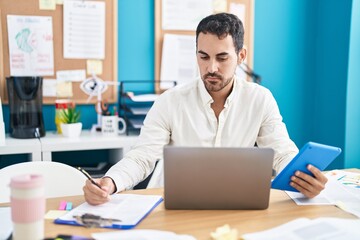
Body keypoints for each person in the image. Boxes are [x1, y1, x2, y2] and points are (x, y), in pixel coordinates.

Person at [83, 13, 328, 205]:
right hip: (168, 202)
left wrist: (305, 179)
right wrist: (110, 182)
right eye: (203, 56)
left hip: (234, 202)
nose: (211, 67)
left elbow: (282, 152)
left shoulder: (260, 99)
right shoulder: (170, 101)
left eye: (222, 58)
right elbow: (142, 157)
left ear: (241, 55)